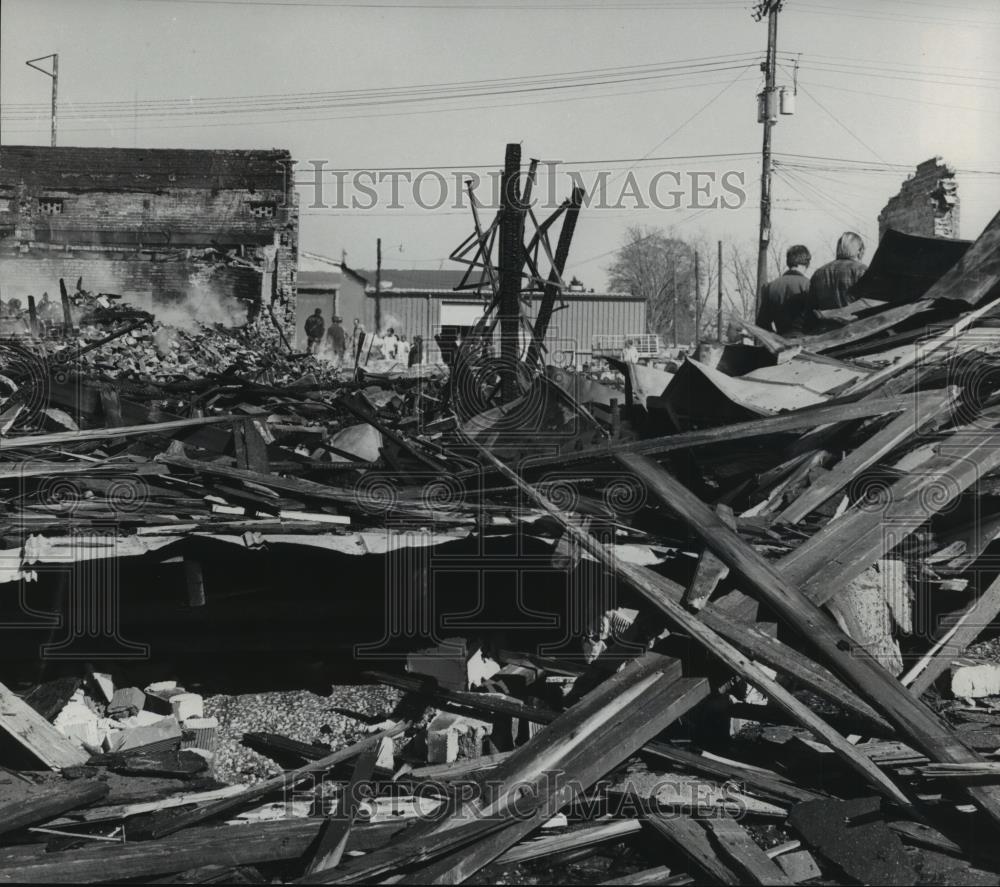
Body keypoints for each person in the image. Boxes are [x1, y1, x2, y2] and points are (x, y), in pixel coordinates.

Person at [756, 244, 813, 335]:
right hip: (805, 342)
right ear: (806, 263)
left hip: (780, 342)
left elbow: (761, 323)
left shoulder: (770, 287)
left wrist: (776, 338)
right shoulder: (809, 285)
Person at [809, 231, 868, 311]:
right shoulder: (862, 270)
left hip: (825, 322)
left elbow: (812, 308)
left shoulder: (818, 273)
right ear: (859, 250)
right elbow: (870, 304)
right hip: (856, 322)